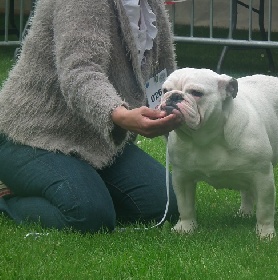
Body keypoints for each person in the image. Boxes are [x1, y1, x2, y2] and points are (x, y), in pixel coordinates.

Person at [0, 0, 183, 233]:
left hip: (98, 137)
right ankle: (6, 196)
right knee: (87, 216)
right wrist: (119, 115)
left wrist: (174, 117)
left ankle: (83, 187)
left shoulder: (150, 5)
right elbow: (80, 71)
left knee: (166, 204)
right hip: (31, 135)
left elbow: (163, 76)